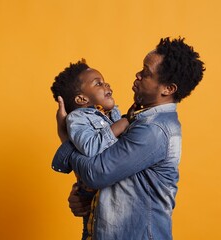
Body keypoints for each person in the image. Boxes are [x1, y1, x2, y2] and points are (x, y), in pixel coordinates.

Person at [52, 37, 205, 240]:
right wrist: (84, 196)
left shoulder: (155, 129)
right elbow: (116, 181)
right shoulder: (135, 119)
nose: (138, 75)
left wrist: (66, 139)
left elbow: (97, 173)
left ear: (168, 89)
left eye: (146, 73)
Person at [50, 59, 131, 239]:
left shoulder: (111, 113)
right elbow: (90, 146)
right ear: (81, 99)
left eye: (104, 81)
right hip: (97, 197)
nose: (107, 85)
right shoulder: (78, 118)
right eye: (98, 83)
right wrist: (124, 123)